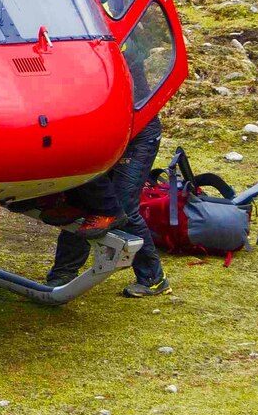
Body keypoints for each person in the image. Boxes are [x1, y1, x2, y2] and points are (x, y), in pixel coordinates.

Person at [47, 118, 169, 296]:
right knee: (84, 200)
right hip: (103, 130)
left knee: (123, 206)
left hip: (137, 132)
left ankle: (153, 278)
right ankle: (64, 273)